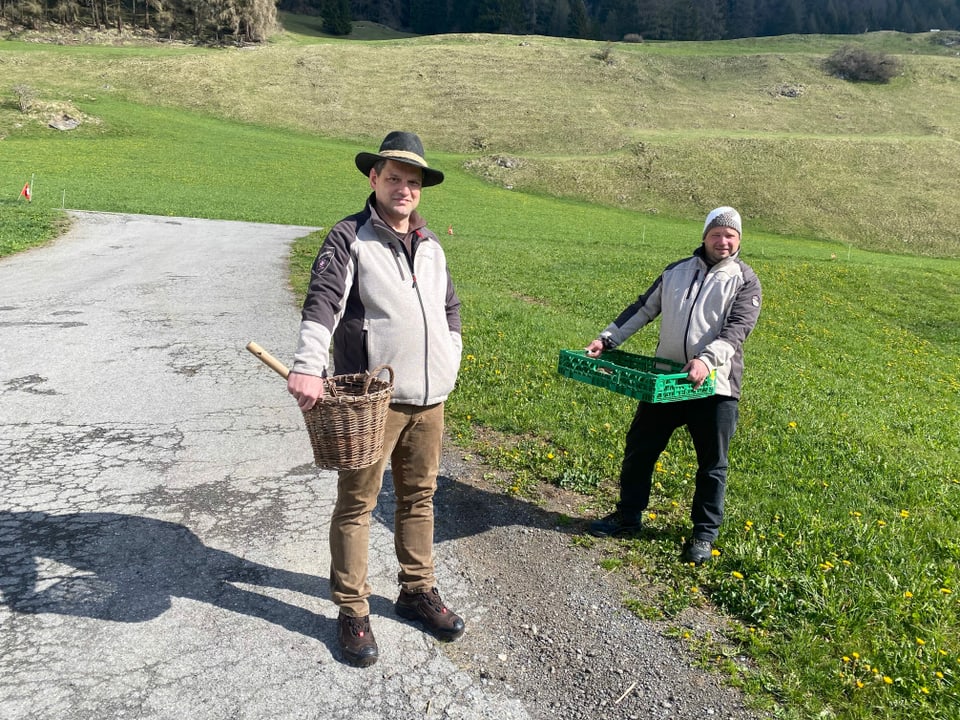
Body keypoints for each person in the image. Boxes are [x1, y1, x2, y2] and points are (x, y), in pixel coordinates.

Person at [287, 131, 465, 667]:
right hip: (371, 401)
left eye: (413, 181)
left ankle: (416, 590)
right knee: (358, 504)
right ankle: (352, 609)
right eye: (394, 178)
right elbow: (323, 302)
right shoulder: (350, 237)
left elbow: (450, 308)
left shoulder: (432, 247)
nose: (404, 189)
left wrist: (451, 354)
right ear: (374, 179)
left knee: (419, 498)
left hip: (429, 398)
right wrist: (307, 364)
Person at [584, 207, 761, 565]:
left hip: (714, 387)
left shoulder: (745, 280)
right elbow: (644, 308)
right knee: (640, 449)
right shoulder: (676, 271)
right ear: (705, 236)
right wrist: (608, 339)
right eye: (717, 234)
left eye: (730, 235)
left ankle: (703, 534)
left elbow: (738, 329)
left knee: (712, 464)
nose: (723, 241)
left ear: (739, 240)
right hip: (666, 382)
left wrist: (705, 360)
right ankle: (628, 516)